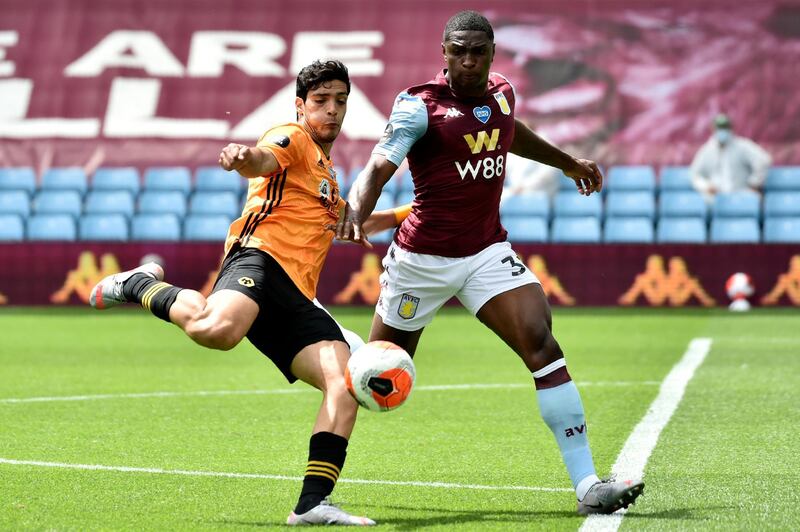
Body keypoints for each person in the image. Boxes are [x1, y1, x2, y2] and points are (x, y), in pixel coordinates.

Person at [337, 10, 644, 515]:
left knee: (542, 344)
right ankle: (336, 368)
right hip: (420, 263)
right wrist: (356, 212)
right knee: (376, 372)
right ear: (444, 53)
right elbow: (377, 165)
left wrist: (567, 163)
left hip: (485, 254)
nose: (469, 60)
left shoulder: (501, 93)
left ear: (493, 54)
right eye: (459, 50)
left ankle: (588, 485)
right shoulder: (419, 108)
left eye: (478, 51)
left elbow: (509, 132)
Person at [89, 60, 376, 526]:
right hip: (259, 261)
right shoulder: (293, 136)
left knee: (343, 386)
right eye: (321, 101)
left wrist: (415, 214)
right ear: (301, 105)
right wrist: (244, 159)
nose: (332, 110)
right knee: (217, 330)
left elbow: (354, 220)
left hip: (299, 297)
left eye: (340, 101)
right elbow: (265, 156)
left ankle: (311, 504)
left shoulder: (327, 177)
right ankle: (138, 282)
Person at [690, 113, 772, 203]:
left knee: (753, 199)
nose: (722, 131)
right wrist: (706, 186)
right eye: (719, 128)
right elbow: (695, 174)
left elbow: (763, 160)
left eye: (725, 128)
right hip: (717, 199)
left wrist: (754, 183)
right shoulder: (707, 150)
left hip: (741, 194)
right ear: (713, 129)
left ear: (730, 129)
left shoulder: (742, 146)